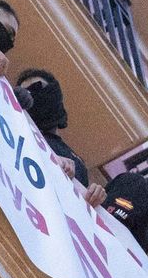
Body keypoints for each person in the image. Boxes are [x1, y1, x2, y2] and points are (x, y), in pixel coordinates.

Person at [15, 69, 105, 205]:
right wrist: (50, 158)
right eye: (26, 94)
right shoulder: (20, 132)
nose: (32, 96)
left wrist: (95, 194)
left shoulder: (78, 161)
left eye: (37, 87)